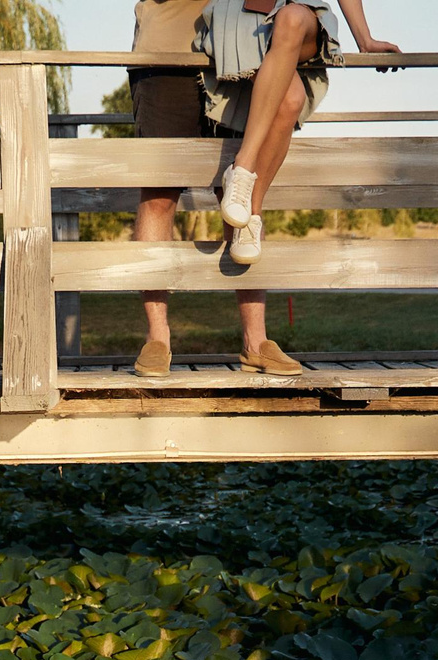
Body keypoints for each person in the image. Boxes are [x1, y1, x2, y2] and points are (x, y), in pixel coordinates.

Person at [126, 0, 283, 377]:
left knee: (240, 191)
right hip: (166, 53)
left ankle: (256, 340)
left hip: (241, 52)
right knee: (159, 195)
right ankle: (157, 338)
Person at [204, 0, 398, 278]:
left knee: (292, 18)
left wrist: (364, 39)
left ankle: (242, 169)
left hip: (298, 11)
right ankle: (251, 215)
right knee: (291, 99)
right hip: (242, 15)